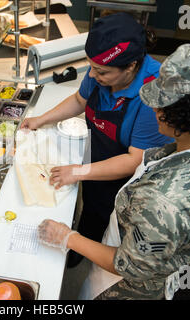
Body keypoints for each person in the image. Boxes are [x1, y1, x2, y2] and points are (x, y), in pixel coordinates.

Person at [37, 39, 190, 300]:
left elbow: (128, 264)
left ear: (186, 116)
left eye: (161, 104)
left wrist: (66, 237)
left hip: (124, 287)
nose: (154, 108)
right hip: (159, 257)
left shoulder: (165, 202)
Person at [21, 13, 173, 267]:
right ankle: (80, 242)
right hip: (97, 159)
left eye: (101, 71)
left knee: (108, 222)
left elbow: (135, 159)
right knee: (90, 209)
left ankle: (87, 252)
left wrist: (79, 171)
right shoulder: (99, 73)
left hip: (124, 181)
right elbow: (80, 100)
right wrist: (40, 119)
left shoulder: (152, 95)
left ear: (132, 66)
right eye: (90, 66)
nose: (91, 75)